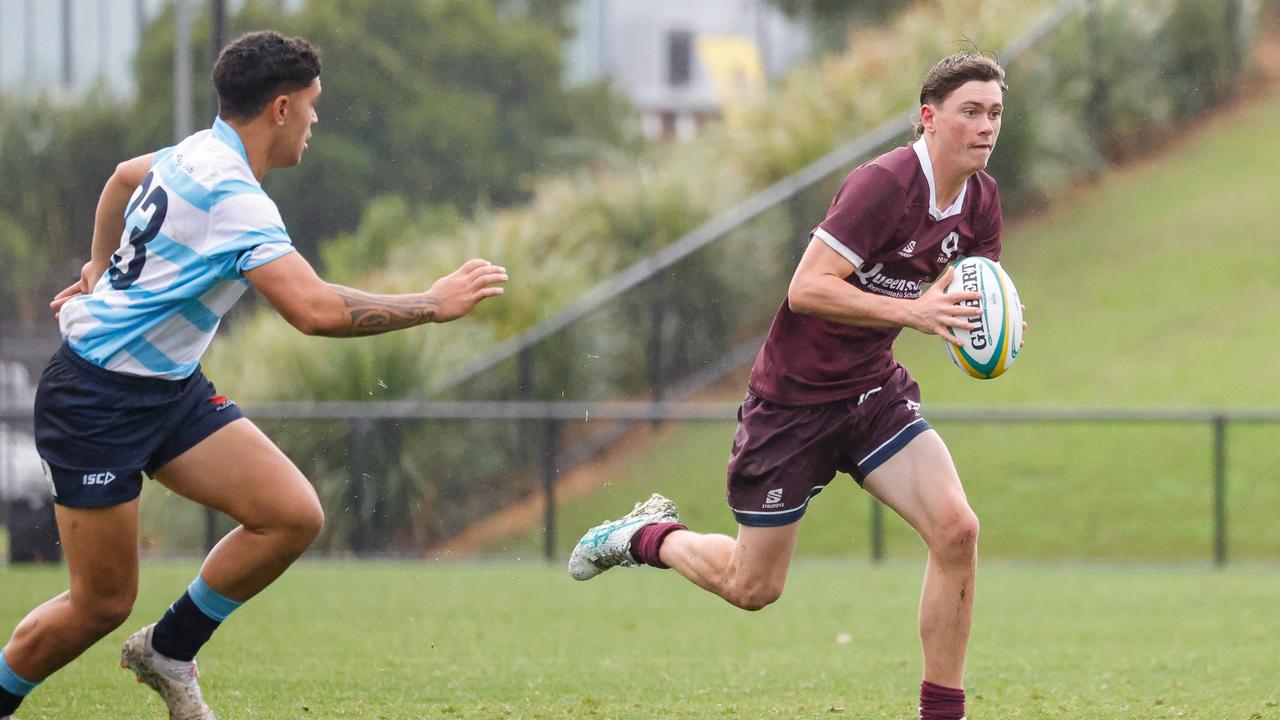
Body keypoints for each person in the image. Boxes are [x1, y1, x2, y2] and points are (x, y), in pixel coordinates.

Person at [0, 31, 507, 720]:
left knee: (290, 516)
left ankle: (169, 650)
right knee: (101, 603)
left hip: (168, 389)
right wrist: (432, 303)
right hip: (95, 398)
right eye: (311, 105)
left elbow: (123, 176)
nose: (315, 121)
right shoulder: (234, 198)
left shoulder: (196, 150)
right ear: (279, 107)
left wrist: (98, 270)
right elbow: (315, 310)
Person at [569, 51, 1020, 720]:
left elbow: (976, 293)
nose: (987, 127)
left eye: (996, 114)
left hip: (873, 394)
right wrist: (913, 311)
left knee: (957, 531)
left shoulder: (980, 201)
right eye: (971, 112)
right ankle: (645, 536)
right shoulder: (884, 186)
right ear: (928, 119)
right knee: (752, 588)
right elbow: (806, 288)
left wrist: (999, 323)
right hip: (794, 404)